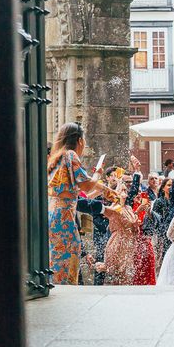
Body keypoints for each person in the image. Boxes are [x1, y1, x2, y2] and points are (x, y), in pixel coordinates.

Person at [47, 122, 111, 285]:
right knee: (69, 255)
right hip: (64, 218)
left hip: (55, 215)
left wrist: (103, 188)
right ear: (80, 141)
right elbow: (87, 184)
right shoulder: (70, 155)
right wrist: (98, 172)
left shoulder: (57, 157)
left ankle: (60, 286)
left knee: (59, 256)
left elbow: (78, 192)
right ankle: (65, 288)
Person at [152, 177, 173, 272]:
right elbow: (156, 220)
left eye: (172, 185)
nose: (171, 187)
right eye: (168, 185)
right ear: (163, 187)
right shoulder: (159, 201)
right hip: (163, 235)